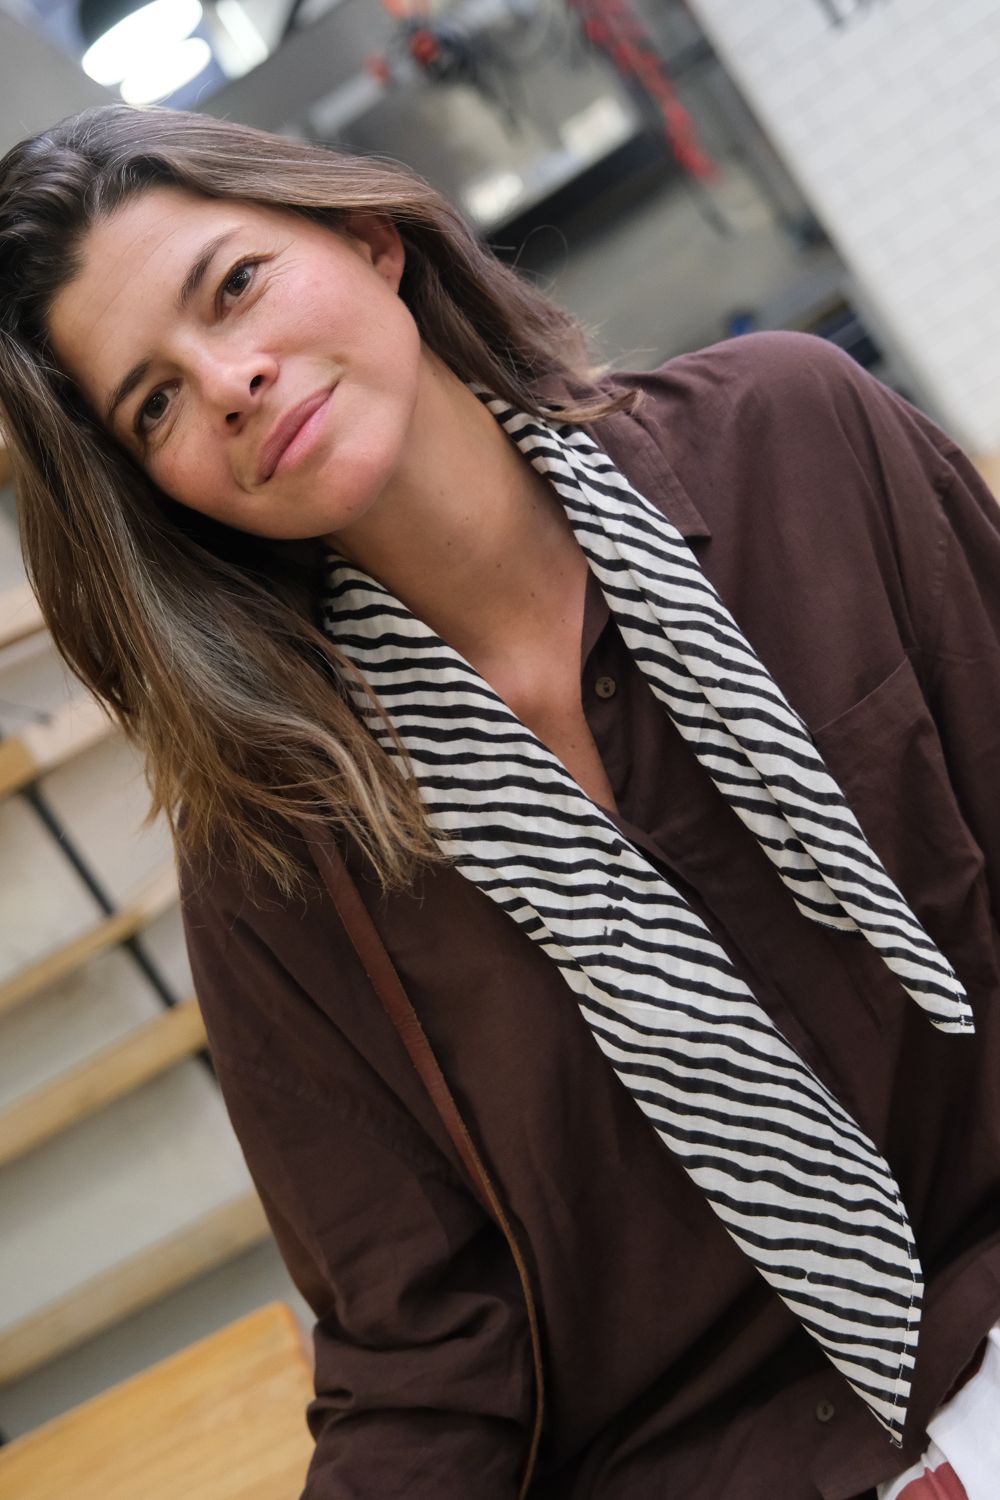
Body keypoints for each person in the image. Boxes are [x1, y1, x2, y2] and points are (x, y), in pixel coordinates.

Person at [1, 103, 999, 1500]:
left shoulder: (797, 441)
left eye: (234, 287)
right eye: (153, 403)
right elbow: (426, 1361)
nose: (228, 381)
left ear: (369, 238)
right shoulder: (276, 862)